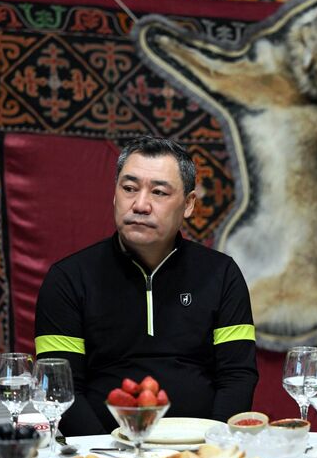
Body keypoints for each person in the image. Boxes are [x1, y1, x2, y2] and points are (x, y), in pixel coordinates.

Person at [34, 136, 258, 435]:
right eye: (129, 188)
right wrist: (106, 453)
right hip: (102, 450)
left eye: (159, 192)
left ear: (188, 204)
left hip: (200, 448)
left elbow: (237, 376)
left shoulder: (222, 274)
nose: (140, 205)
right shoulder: (68, 278)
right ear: (115, 195)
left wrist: (214, 447)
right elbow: (59, 386)